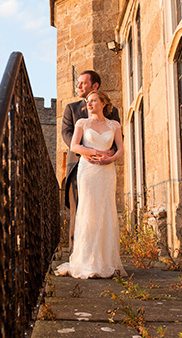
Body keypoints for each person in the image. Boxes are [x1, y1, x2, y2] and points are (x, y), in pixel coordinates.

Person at [56, 90, 126, 278]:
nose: (89, 103)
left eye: (94, 100)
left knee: (106, 210)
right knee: (88, 210)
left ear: (104, 103)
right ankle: (87, 262)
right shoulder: (82, 123)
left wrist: (110, 160)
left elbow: (120, 149)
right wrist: (93, 151)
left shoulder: (114, 125)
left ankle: (105, 261)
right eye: (88, 101)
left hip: (107, 171)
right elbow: (75, 146)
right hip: (88, 170)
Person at [61, 70, 120, 251]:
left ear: (95, 86)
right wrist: (86, 152)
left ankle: (103, 253)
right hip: (79, 165)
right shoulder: (72, 109)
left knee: (103, 208)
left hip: (104, 166)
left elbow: (119, 138)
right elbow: (66, 134)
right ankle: (76, 253)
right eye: (77, 82)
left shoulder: (112, 112)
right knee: (80, 210)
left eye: (82, 83)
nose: (78, 86)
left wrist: (109, 154)